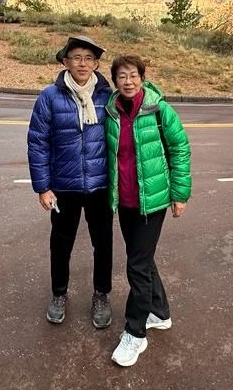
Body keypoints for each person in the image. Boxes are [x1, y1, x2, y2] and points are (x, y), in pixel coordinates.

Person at [104, 54, 191, 367]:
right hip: (125, 202)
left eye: (133, 75)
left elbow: (180, 148)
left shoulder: (158, 109)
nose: (128, 82)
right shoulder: (111, 110)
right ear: (114, 81)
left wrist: (180, 195)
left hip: (152, 201)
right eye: (121, 76)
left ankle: (135, 333)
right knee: (143, 258)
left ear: (142, 77)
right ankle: (160, 313)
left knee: (137, 265)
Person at [27, 35, 114, 328]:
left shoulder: (106, 96)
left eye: (89, 58)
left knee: (103, 243)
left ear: (96, 64)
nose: (82, 63)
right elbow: (38, 142)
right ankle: (59, 294)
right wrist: (42, 187)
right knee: (61, 243)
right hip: (64, 186)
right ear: (65, 62)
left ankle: (101, 294)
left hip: (100, 185)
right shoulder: (49, 97)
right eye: (76, 57)